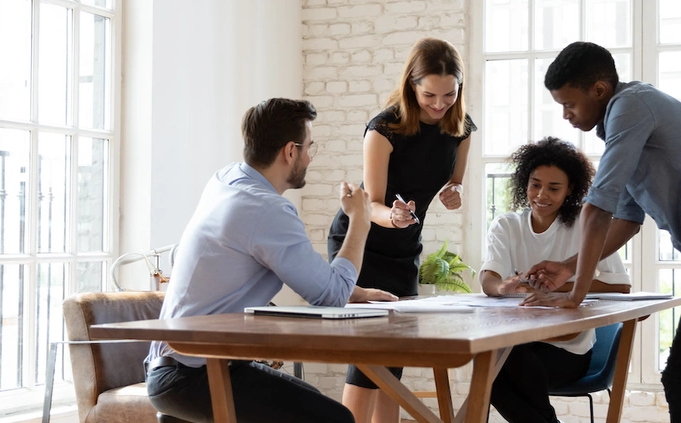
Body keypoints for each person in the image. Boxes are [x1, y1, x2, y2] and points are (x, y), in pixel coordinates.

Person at [524, 41, 681, 423]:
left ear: (599, 90)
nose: (565, 115)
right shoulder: (625, 122)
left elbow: (597, 207)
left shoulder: (630, 106)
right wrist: (570, 267)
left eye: (570, 104)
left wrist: (577, 292)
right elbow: (626, 219)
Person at [144, 98, 392, 423]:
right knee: (334, 419)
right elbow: (329, 296)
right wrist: (360, 220)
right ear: (290, 151)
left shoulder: (226, 180)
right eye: (309, 148)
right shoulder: (267, 210)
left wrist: (352, 290)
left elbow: (320, 283)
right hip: (193, 377)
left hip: (173, 367)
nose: (309, 158)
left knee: (316, 405)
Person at [327, 37, 476, 423]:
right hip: (362, 241)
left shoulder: (461, 128)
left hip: (404, 247)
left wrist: (455, 192)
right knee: (368, 360)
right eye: (430, 94)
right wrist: (391, 217)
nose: (440, 103)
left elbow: (455, 180)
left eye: (449, 94)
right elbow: (371, 204)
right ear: (412, 85)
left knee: (393, 360)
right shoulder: (383, 130)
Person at [480, 137, 630, 423]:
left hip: (568, 349)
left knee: (497, 371)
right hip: (518, 342)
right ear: (525, 182)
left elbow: (621, 286)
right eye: (535, 184)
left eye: (554, 188)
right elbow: (490, 277)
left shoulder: (584, 227)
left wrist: (561, 286)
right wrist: (501, 287)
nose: (541, 195)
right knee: (495, 366)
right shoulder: (507, 225)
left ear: (570, 190)